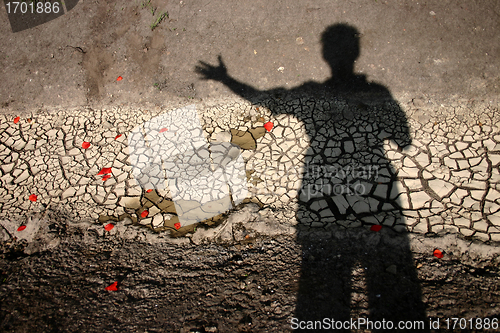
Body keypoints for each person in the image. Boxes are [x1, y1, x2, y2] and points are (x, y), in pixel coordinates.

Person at [197, 23, 428, 332]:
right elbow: (404, 139)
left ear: (324, 54)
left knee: (323, 284)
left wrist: (225, 79)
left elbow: (264, 99)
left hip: (320, 195)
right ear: (356, 52)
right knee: (389, 288)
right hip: (374, 195)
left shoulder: (311, 95)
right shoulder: (375, 94)